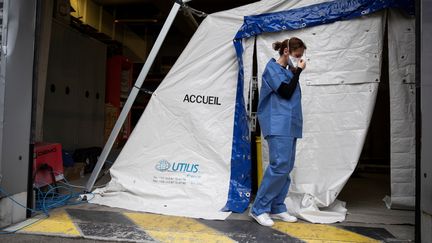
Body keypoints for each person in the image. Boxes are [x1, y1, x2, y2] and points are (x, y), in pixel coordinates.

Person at [250, 37, 307, 227]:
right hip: (277, 123)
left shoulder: (286, 71)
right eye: (297, 55)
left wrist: (294, 71)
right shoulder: (272, 69)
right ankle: (258, 209)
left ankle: (277, 206)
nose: (299, 59)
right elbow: (285, 92)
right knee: (279, 165)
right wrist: (298, 70)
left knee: (286, 167)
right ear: (286, 52)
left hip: (289, 124)